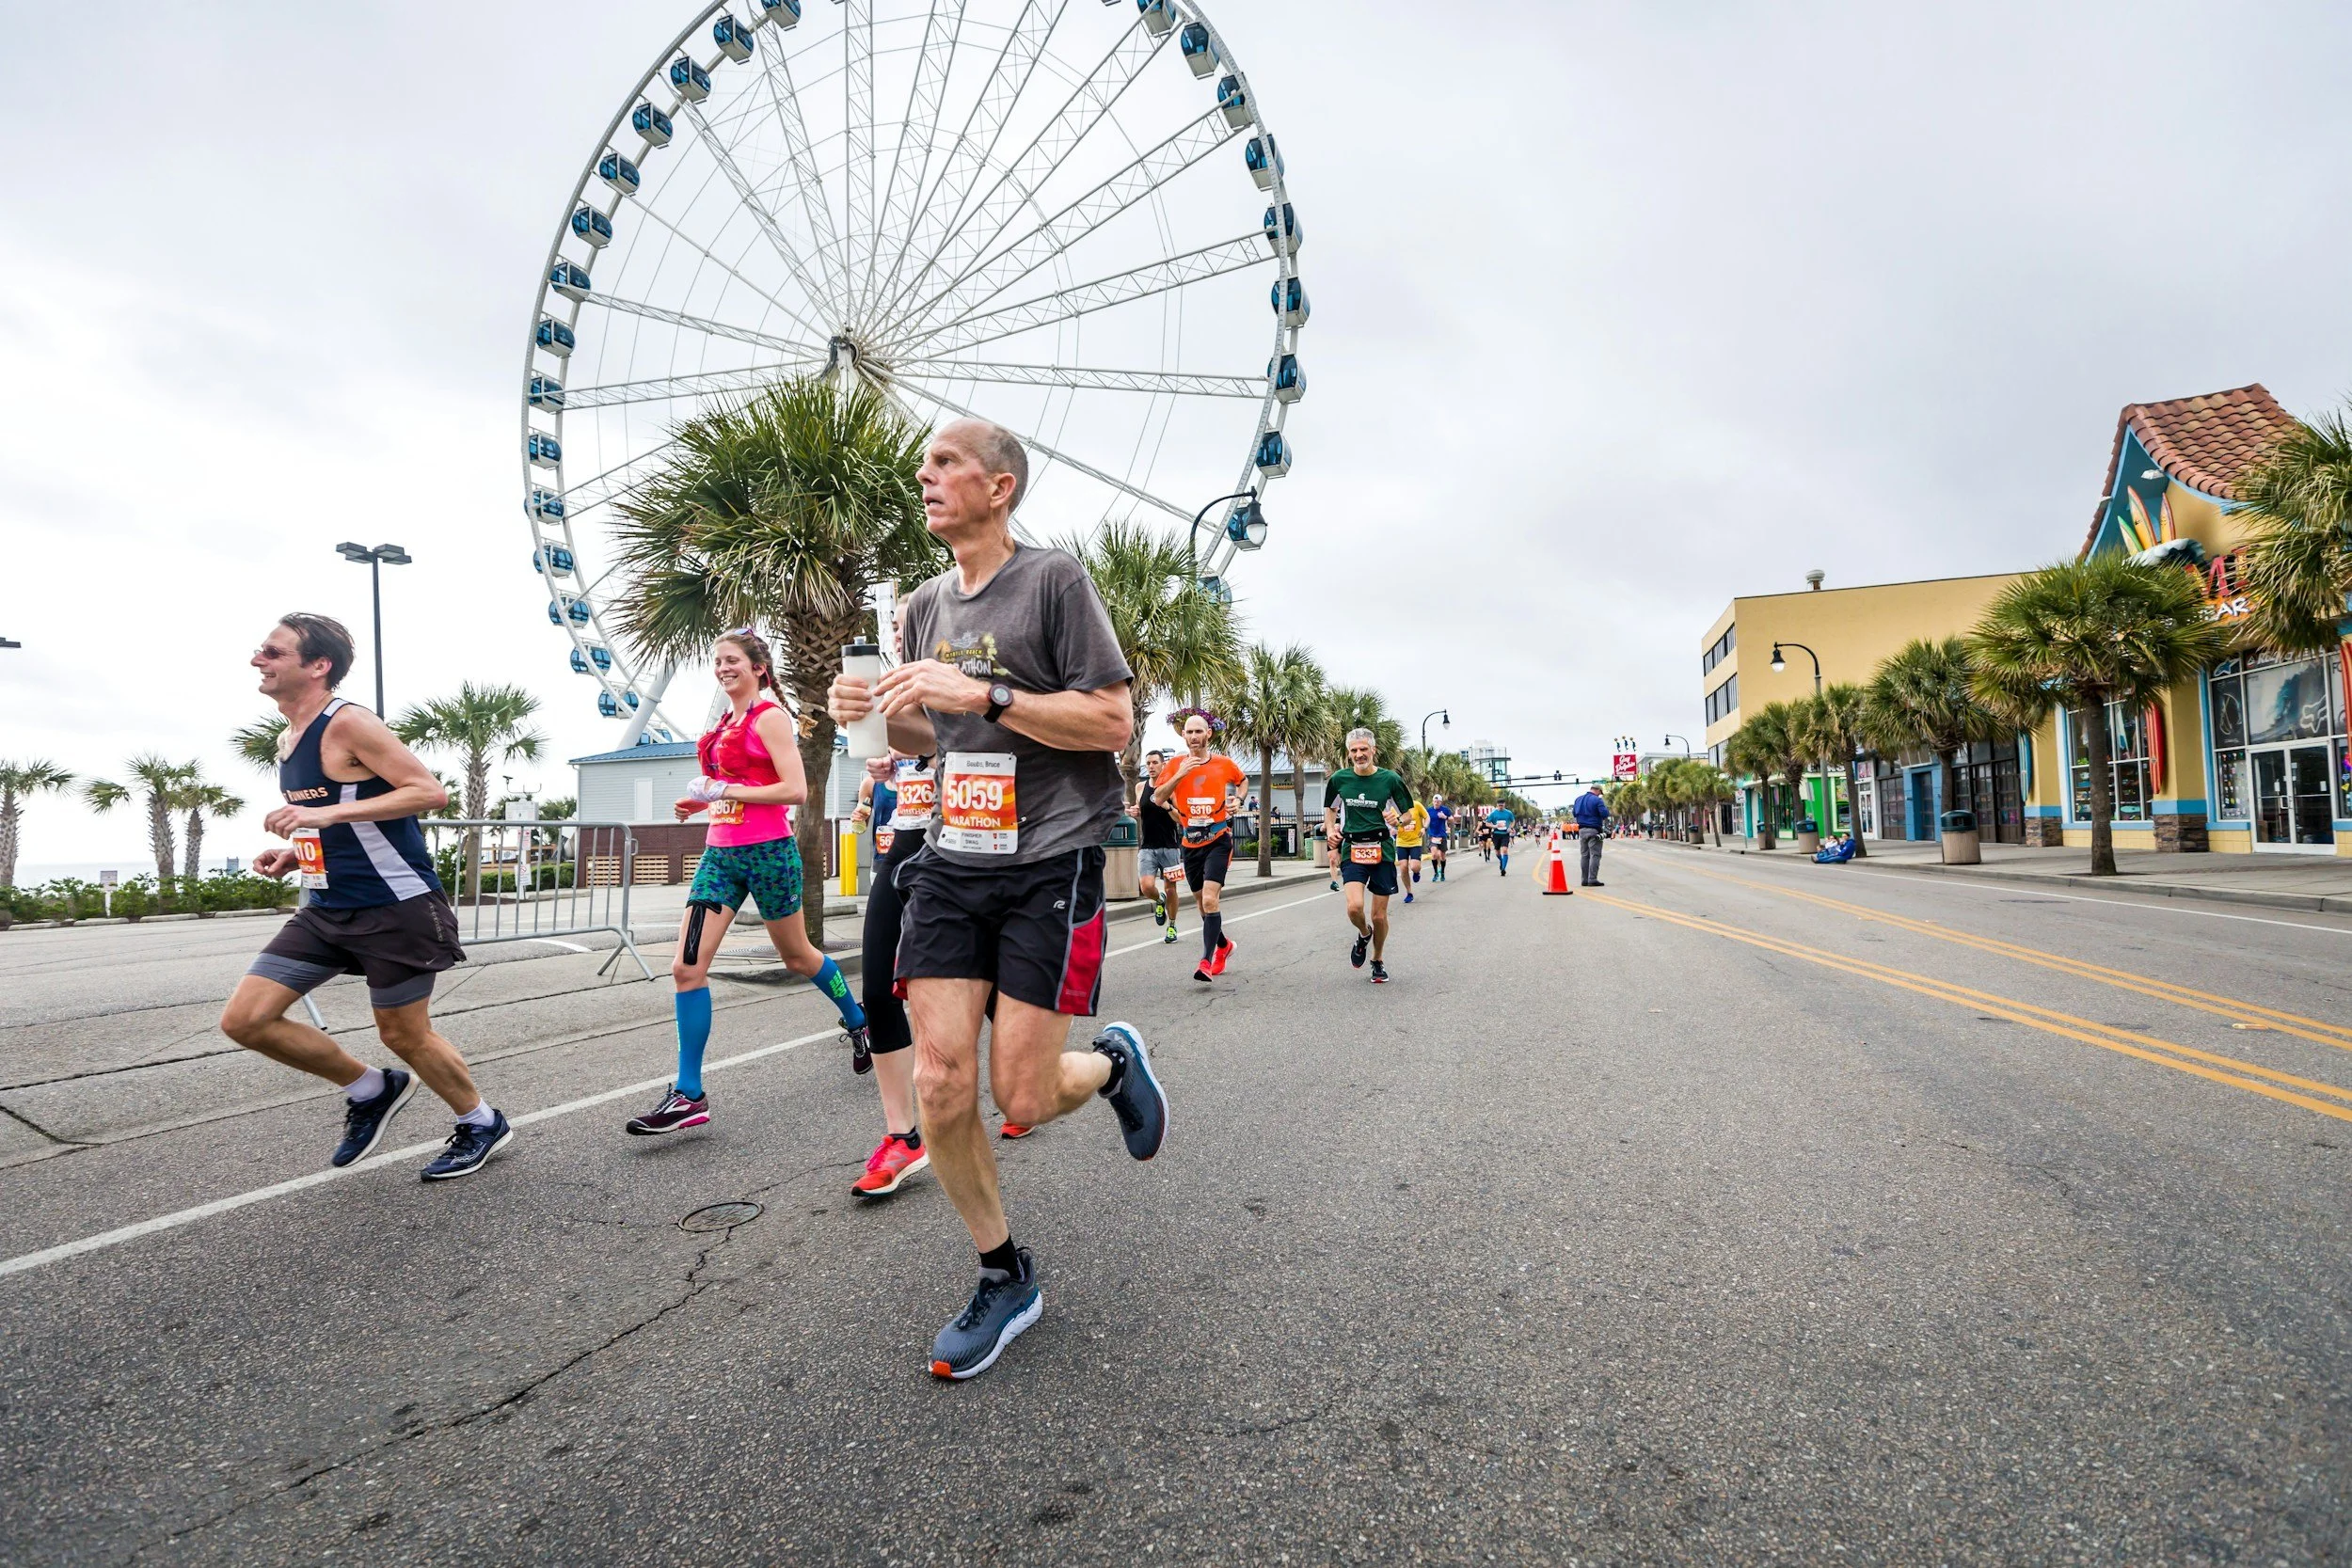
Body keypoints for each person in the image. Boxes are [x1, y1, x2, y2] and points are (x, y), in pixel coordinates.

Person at [828, 418, 1168, 1381]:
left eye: (944, 463)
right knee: (940, 1078)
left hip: (1049, 853)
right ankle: (1003, 1270)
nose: (924, 478)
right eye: (922, 467)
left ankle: (1108, 1064)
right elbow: (928, 737)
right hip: (951, 854)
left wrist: (986, 694)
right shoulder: (924, 603)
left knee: (1021, 1091)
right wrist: (870, 713)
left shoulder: (1053, 580)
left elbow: (1108, 719)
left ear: (1001, 485)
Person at [219, 613, 512, 1180]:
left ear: (317, 666)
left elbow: (429, 792)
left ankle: (481, 1121)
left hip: (394, 904)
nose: (259, 660)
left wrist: (324, 812)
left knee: (404, 1033)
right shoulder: (288, 738)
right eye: (262, 651)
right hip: (325, 906)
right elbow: (335, 816)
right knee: (245, 1020)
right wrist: (297, 850)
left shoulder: (349, 723)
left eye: (274, 652)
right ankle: (370, 1087)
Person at [624, 630, 869, 1137]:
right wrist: (702, 802)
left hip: (769, 854)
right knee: (686, 967)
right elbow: (728, 791)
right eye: (717, 662)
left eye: (732, 660)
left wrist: (723, 789)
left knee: (800, 957)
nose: (722, 668)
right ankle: (689, 1094)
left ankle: (857, 1016)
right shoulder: (722, 725)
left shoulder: (771, 718)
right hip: (720, 856)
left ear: (759, 667)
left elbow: (795, 790)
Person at [849, 748, 935, 1196]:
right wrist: (890, 762)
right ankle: (904, 1137)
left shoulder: (985, 680)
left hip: (969, 840)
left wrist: (931, 749)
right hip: (905, 840)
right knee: (880, 991)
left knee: (984, 985)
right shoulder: (906, 688)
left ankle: (1023, 1087)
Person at [1152, 709, 1247, 982]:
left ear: (1209, 734)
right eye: (1189, 732)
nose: (1194, 736)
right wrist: (1179, 774)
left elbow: (1242, 782)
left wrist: (1237, 800)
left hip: (1218, 839)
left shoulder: (1224, 763)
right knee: (1202, 905)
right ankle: (1224, 946)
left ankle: (1206, 961)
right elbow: (1158, 798)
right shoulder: (1175, 766)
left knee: (1209, 898)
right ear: (1183, 736)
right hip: (1189, 842)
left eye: (1198, 731)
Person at [1323, 727, 1414, 984]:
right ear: (1348, 753)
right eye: (1354, 750)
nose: (1359, 754)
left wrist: (1398, 819)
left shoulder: (1390, 779)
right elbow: (1330, 809)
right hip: (1352, 848)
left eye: (1364, 749)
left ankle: (1377, 959)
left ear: (1374, 750)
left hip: (1382, 849)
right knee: (1354, 908)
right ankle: (1364, 934)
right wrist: (1331, 830)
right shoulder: (1340, 779)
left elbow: (1408, 814)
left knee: (1379, 915)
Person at [1134, 748, 1184, 946]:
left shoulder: (1172, 789)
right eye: (1148, 763)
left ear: (1163, 765)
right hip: (1147, 847)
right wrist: (1135, 812)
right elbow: (1142, 810)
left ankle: (1172, 925)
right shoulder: (1140, 787)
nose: (1151, 766)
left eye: (1155, 762)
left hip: (1169, 847)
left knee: (1171, 888)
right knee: (1146, 887)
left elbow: (1181, 819)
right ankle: (1159, 900)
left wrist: (1168, 806)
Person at [1571, 783, 1610, 887]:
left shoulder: (1578, 799)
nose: (1599, 795)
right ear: (1597, 790)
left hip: (1582, 830)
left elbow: (1574, 813)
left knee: (1584, 855)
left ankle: (1584, 880)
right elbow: (1605, 814)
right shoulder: (1597, 800)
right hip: (1594, 830)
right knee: (1595, 855)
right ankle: (1592, 879)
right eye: (1600, 793)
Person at [1392, 794, 1429, 903]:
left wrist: (1424, 828)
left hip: (1415, 841)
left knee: (1414, 867)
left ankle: (1417, 872)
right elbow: (1391, 823)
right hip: (1401, 842)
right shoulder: (1394, 808)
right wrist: (1392, 829)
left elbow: (1427, 817)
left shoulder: (1416, 805)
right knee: (1403, 867)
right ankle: (1409, 892)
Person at [1425, 794, 1452, 882]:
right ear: (1433, 801)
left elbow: (1452, 819)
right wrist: (1425, 826)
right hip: (1432, 835)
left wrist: (1445, 817)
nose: (1436, 803)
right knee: (1434, 854)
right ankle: (1436, 873)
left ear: (1441, 802)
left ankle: (1442, 872)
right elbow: (1424, 818)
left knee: (1442, 856)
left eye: (1438, 802)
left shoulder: (1445, 810)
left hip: (1442, 836)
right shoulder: (1429, 810)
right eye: (1435, 801)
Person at [1486, 803, 1517, 876]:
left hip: (1505, 834)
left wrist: (1510, 828)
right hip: (1496, 834)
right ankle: (1502, 861)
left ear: (1504, 805)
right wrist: (1494, 826)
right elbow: (1487, 823)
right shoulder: (1493, 813)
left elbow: (1513, 821)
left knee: (1505, 850)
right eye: (1499, 806)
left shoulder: (1508, 813)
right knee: (1497, 852)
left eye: (1502, 805)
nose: (1500, 807)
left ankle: (1503, 869)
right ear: (1497, 805)